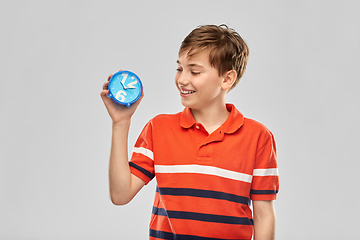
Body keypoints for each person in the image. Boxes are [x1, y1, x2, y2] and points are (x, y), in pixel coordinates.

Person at [100, 24, 279, 240]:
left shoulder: (258, 137)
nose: (182, 79)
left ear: (227, 79)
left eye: (194, 71)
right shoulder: (159, 128)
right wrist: (121, 123)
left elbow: (264, 216)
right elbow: (120, 195)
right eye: (179, 68)